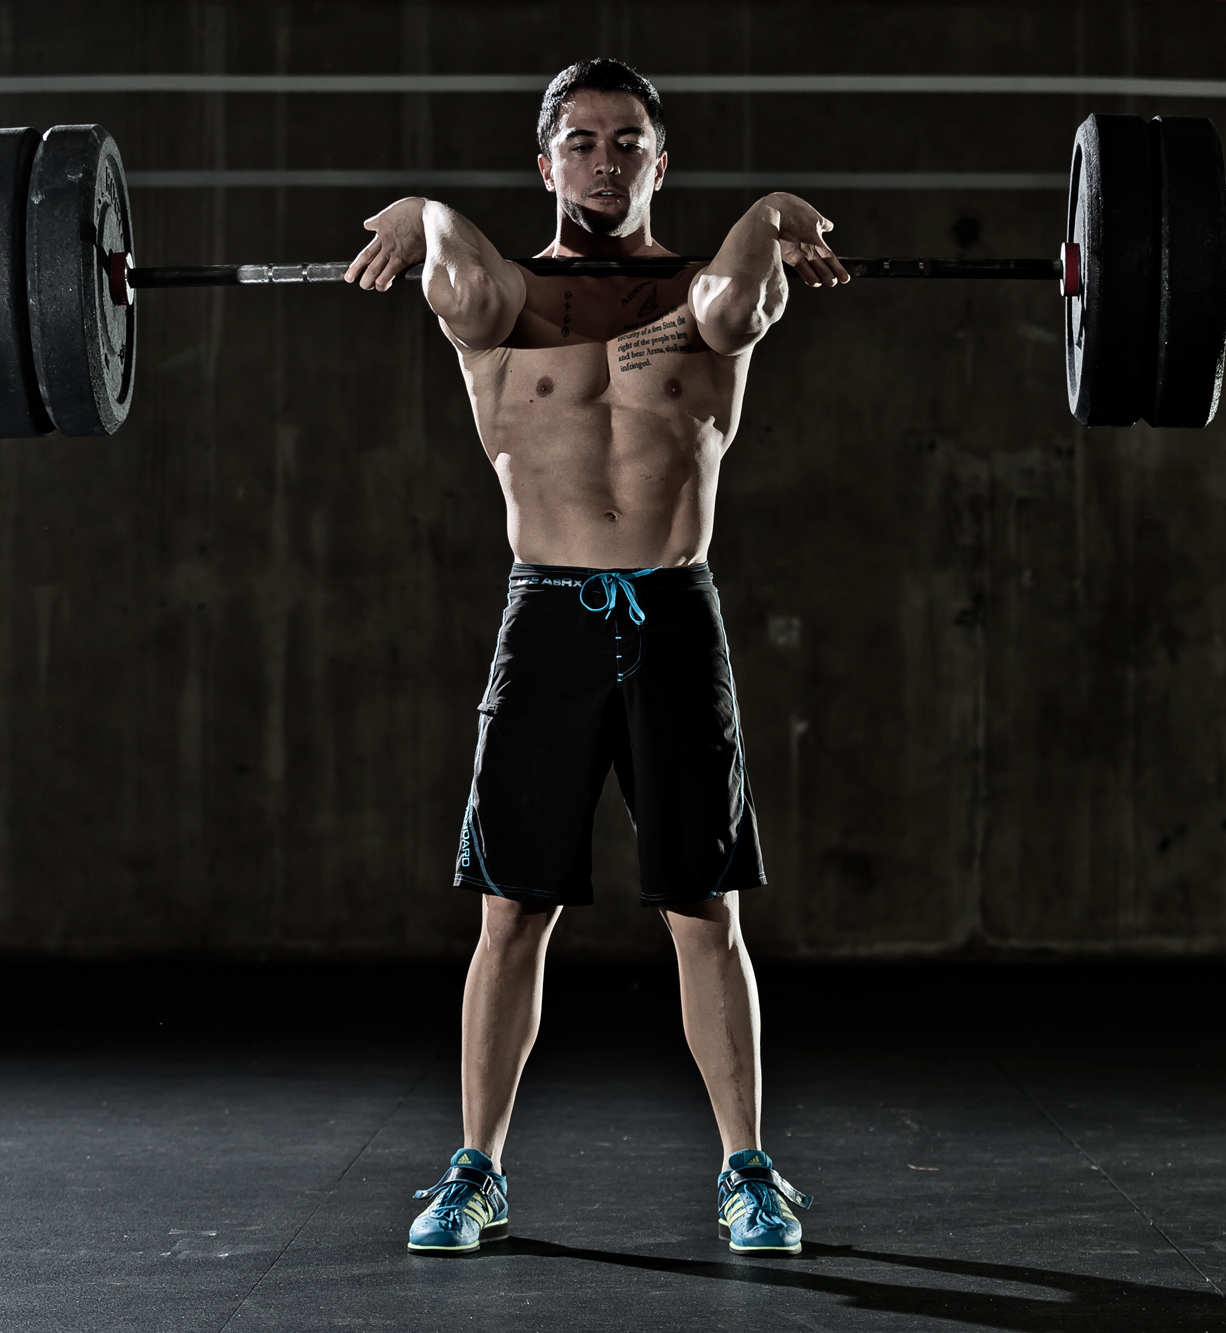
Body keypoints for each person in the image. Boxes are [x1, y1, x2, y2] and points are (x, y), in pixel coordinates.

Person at [345, 57, 847, 1257]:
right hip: (547, 617)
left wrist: (776, 207)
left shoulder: (712, 294)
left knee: (703, 906)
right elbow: (453, 269)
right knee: (509, 909)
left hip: (675, 613)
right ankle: (475, 1170)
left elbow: (736, 302)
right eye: (579, 141)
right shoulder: (499, 298)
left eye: (628, 141)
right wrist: (417, 209)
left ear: (659, 163)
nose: (604, 160)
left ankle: (748, 1170)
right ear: (544, 162)